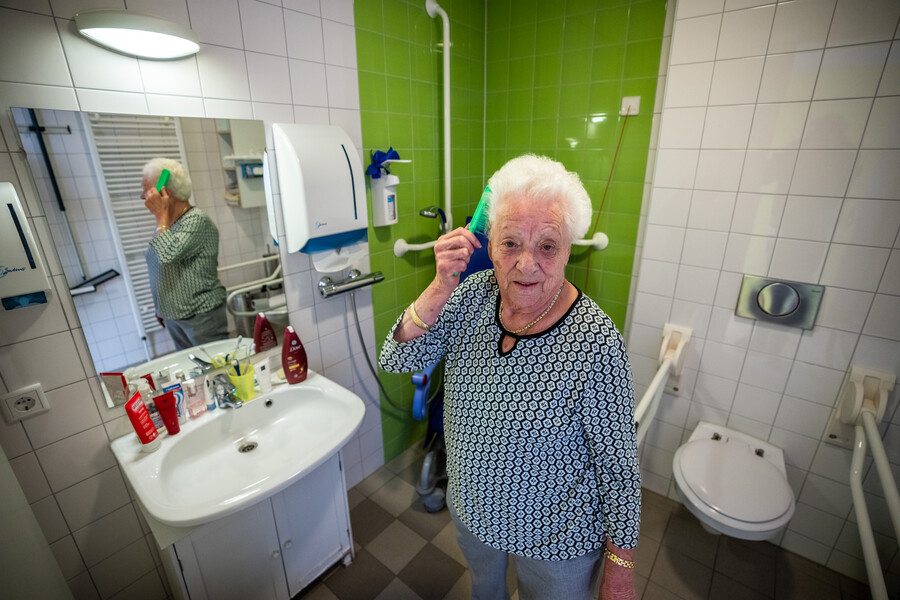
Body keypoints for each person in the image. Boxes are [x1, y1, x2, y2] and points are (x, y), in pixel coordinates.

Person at [379, 155, 640, 600]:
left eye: (547, 246)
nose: (526, 265)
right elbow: (397, 357)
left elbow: (618, 468)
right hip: (473, 510)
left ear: (569, 249)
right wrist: (440, 286)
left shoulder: (596, 340)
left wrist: (620, 571)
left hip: (558, 536)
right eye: (511, 243)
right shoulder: (471, 296)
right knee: (486, 591)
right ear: (490, 246)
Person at [141, 158, 228, 350]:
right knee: (193, 367)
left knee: (217, 365)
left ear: (165, 192)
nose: (143, 196)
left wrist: (161, 217)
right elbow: (159, 267)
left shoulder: (196, 220)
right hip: (175, 315)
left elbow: (168, 255)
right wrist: (161, 307)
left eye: (147, 190)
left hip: (200, 315)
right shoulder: (169, 225)